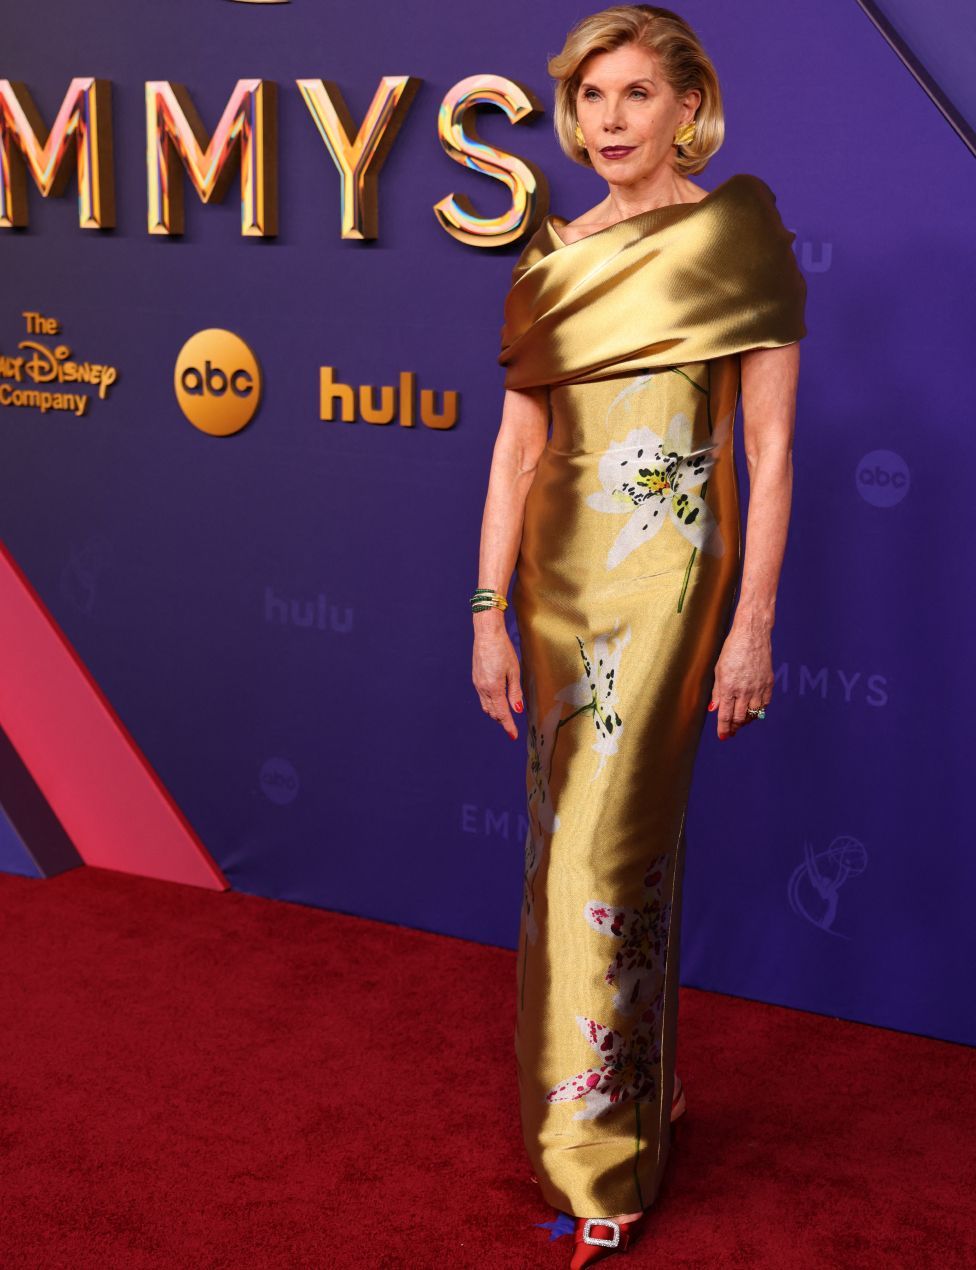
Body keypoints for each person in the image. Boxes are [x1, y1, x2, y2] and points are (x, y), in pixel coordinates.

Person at [471, 5, 807, 1265]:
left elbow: (766, 455)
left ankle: (596, 1164)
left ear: (684, 106)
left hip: (666, 580)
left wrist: (750, 622)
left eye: (632, 97)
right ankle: (647, 1097)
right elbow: (516, 450)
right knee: (578, 843)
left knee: (596, 862)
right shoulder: (551, 252)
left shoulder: (735, 236)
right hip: (557, 590)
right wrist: (485, 612)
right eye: (589, 99)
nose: (607, 121)